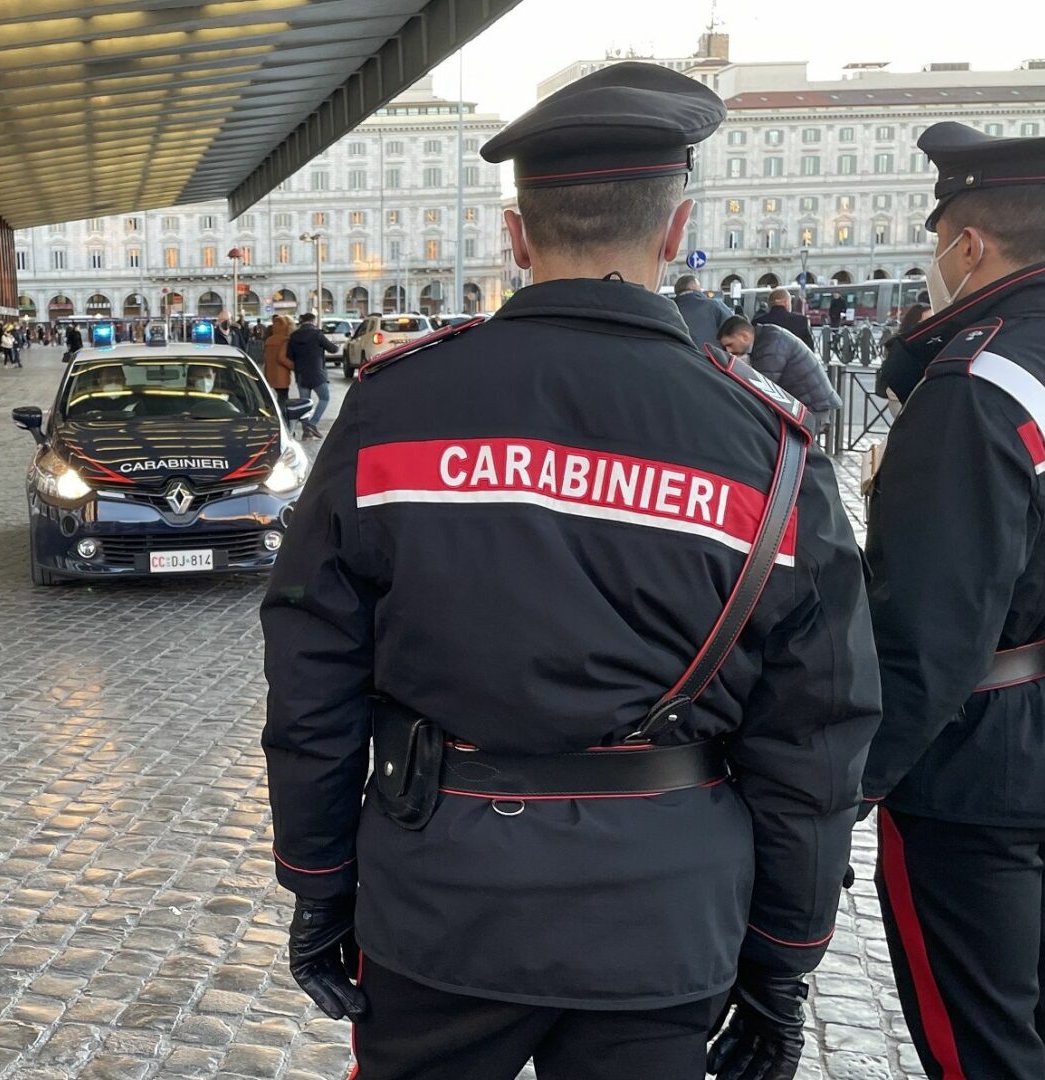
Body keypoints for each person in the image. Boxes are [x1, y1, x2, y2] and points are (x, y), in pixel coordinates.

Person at [260, 62, 880, 1080]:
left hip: (441, 899)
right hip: (663, 913)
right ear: (673, 232)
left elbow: (311, 669)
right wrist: (782, 960)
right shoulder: (767, 443)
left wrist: (319, 880)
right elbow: (814, 728)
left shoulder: (392, 407)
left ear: (515, 236)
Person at [861, 121, 1045, 1080]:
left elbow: (925, 634)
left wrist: (849, 784)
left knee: (979, 1045)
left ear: (969, 244)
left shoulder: (974, 386)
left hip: (973, 761)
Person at [717, 315, 842, 428]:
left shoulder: (771, 344)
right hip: (807, 406)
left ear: (744, 336)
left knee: (795, 450)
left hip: (812, 408)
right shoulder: (766, 337)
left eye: (730, 344)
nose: (728, 351)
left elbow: (762, 388)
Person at [286, 311, 334, 439]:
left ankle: (306, 431)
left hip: (301, 374)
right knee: (324, 398)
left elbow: (289, 356)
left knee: (304, 404)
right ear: (313, 321)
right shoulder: (317, 334)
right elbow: (333, 349)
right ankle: (312, 424)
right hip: (317, 373)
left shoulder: (294, 336)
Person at [672, 273, 732, 350]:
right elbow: (733, 329)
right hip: (711, 358)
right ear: (694, 287)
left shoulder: (670, 309)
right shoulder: (715, 305)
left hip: (678, 359)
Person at [263, 314, 295, 416]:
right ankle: (282, 419)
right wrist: (293, 366)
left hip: (270, 373)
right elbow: (281, 358)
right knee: (283, 399)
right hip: (281, 375)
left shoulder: (269, 340)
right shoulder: (285, 340)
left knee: (277, 397)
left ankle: (275, 414)